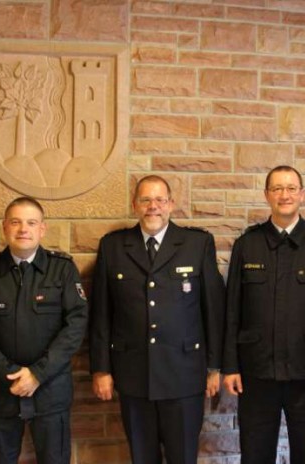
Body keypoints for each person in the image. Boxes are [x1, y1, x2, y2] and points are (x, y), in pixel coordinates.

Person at [89, 175, 225, 464]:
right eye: (146, 200)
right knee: (142, 458)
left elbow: (213, 310)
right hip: (134, 374)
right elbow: (101, 314)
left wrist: (215, 366)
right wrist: (101, 369)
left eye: (160, 200)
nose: (153, 207)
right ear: (135, 205)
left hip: (185, 375)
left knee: (183, 457)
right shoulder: (113, 246)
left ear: (171, 204)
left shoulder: (197, 243)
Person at [222, 165, 305, 464]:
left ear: (302, 195)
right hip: (256, 373)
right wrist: (229, 366)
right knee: (254, 454)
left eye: (291, 188)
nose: (284, 195)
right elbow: (232, 311)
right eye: (277, 189)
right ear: (266, 195)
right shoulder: (247, 244)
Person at [0, 196, 88, 464]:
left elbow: (75, 326)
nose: (23, 229)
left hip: (50, 390)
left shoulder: (62, 269)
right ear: (4, 227)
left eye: (31, 222)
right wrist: (11, 374)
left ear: (42, 229)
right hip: (0, 392)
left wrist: (37, 374)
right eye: (16, 222)